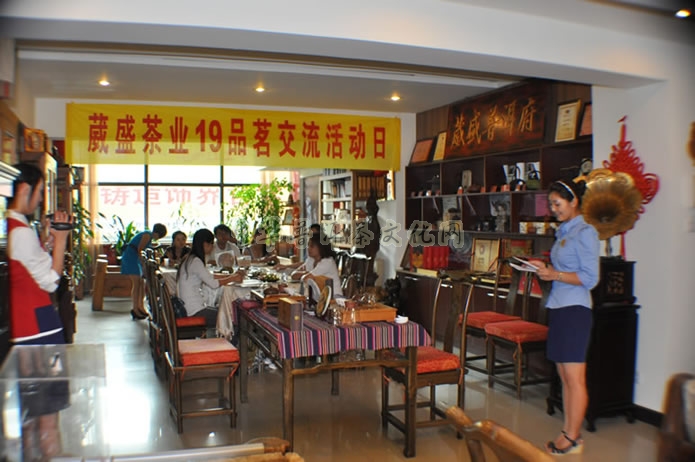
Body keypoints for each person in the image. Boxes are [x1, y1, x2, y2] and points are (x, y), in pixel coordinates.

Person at [528, 179, 599, 456]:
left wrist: (554, 274)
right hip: (559, 306)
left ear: (574, 202)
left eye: (557, 204)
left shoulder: (586, 232)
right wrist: (544, 267)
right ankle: (570, 432)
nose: (553, 209)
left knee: (574, 377)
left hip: (575, 310)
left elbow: (590, 278)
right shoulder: (564, 231)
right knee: (564, 376)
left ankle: (572, 436)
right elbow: (563, 269)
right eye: (551, 205)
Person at [6, 163, 72, 345]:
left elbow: (28, 265)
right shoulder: (21, 232)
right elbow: (51, 282)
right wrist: (61, 240)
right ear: (25, 189)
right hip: (34, 325)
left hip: (24, 321)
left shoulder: (12, 225)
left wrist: (46, 244)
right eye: (40, 191)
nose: (41, 199)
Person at [177, 229, 243, 328]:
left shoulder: (190, 258)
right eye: (211, 244)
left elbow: (209, 276)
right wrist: (232, 278)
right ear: (205, 244)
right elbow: (213, 284)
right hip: (194, 311)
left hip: (188, 307)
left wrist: (231, 276)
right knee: (233, 319)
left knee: (226, 313)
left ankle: (222, 336)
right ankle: (228, 337)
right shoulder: (196, 261)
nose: (212, 247)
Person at [120, 223, 167, 320]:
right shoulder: (147, 235)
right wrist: (143, 265)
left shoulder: (149, 237)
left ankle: (140, 307)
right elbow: (140, 249)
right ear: (158, 233)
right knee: (136, 283)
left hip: (135, 258)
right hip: (131, 257)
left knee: (141, 283)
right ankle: (135, 308)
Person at [301, 233, 343, 298]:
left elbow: (306, 278)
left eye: (312, 246)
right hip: (321, 297)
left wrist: (305, 274)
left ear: (321, 247)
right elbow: (294, 275)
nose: (308, 248)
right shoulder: (311, 260)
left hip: (335, 297)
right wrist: (306, 274)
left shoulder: (327, 262)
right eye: (308, 245)